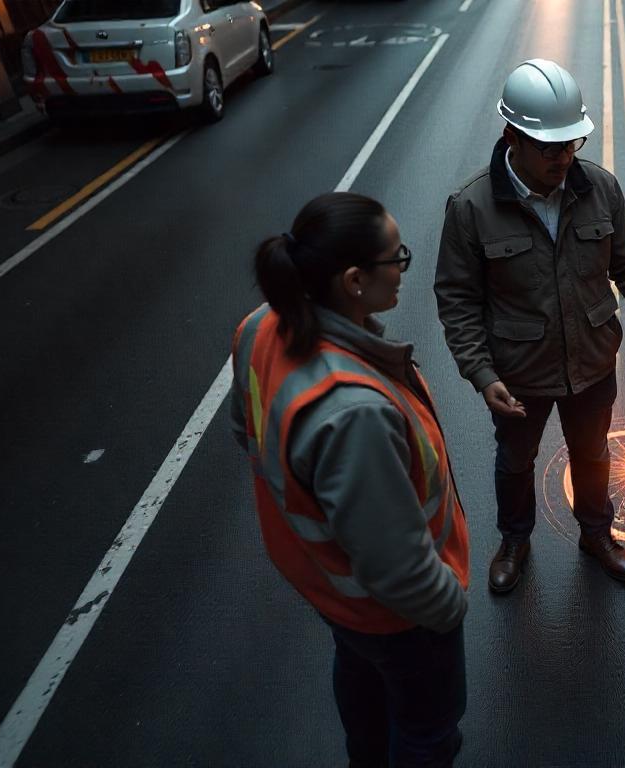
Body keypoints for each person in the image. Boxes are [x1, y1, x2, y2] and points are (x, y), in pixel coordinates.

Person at [230, 192, 469, 768]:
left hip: (334, 594)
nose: (404, 270)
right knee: (427, 731)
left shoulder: (260, 326)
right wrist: (448, 608)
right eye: (398, 258)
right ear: (355, 280)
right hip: (397, 615)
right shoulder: (353, 411)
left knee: (362, 683)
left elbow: (248, 432)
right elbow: (397, 570)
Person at [434, 58, 625, 593]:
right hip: (517, 373)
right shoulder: (471, 207)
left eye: (572, 145)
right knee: (516, 460)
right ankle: (515, 542)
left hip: (591, 362)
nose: (563, 158)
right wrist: (480, 373)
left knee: (593, 454)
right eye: (550, 148)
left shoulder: (601, 189)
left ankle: (596, 535)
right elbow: (457, 299)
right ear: (511, 138)